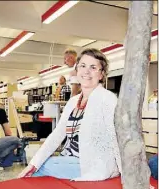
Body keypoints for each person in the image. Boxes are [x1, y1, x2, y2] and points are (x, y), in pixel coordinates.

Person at [18, 48, 122, 181]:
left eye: (93, 67)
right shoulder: (73, 101)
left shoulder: (108, 99)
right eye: (83, 66)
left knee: (41, 168)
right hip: (70, 159)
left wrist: (125, 174)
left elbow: (116, 138)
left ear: (101, 74)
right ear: (77, 70)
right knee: (36, 167)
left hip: (93, 165)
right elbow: (57, 134)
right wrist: (33, 163)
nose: (86, 71)